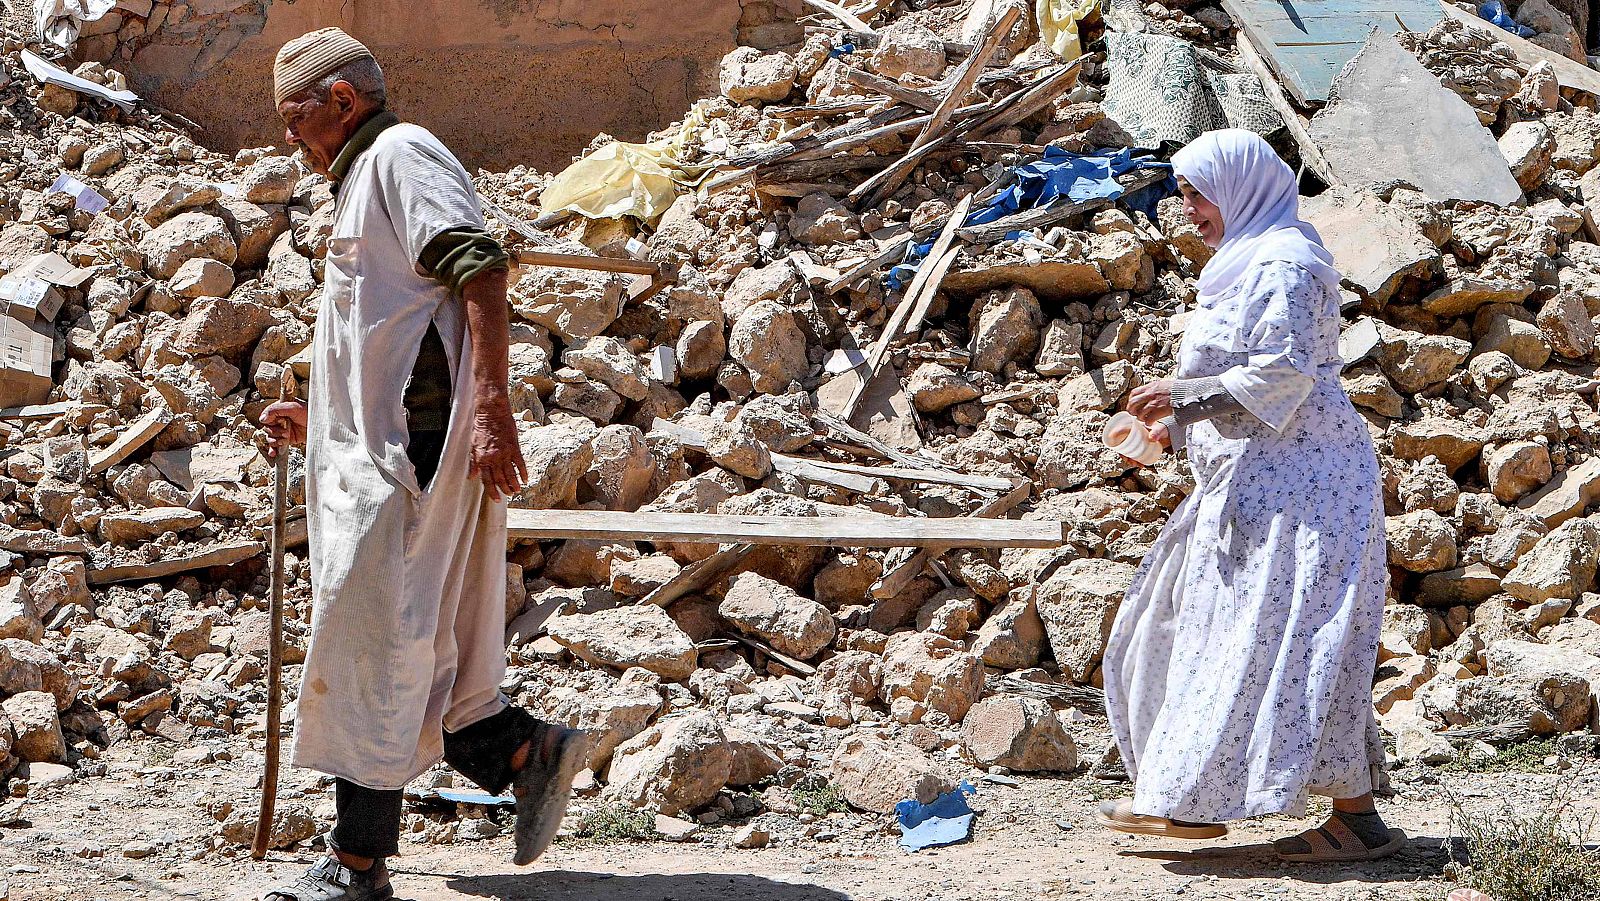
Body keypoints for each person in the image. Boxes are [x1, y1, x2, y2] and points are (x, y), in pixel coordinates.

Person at [258, 28, 586, 901]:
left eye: (297, 120)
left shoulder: (401, 154)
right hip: (386, 447)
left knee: (377, 647)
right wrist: (318, 414)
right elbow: (388, 327)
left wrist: (491, 407)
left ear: (340, 102)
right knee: (410, 642)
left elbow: (478, 267)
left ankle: (357, 866)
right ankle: (522, 750)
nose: (291, 141)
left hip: (411, 457)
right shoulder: (364, 177)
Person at [1093, 130, 1403, 863]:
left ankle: (1347, 820)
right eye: (1184, 194)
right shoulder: (1242, 265)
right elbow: (1245, 379)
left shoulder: (1288, 264)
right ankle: (1196, 801)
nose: (1190, 210)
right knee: (1218, 631)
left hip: (1310, 487)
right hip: (1257, 484)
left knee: (1300, 640)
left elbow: (1286, 373)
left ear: (1239, 188)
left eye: (1199, 193)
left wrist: (1183, 394)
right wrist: (1177, 424)